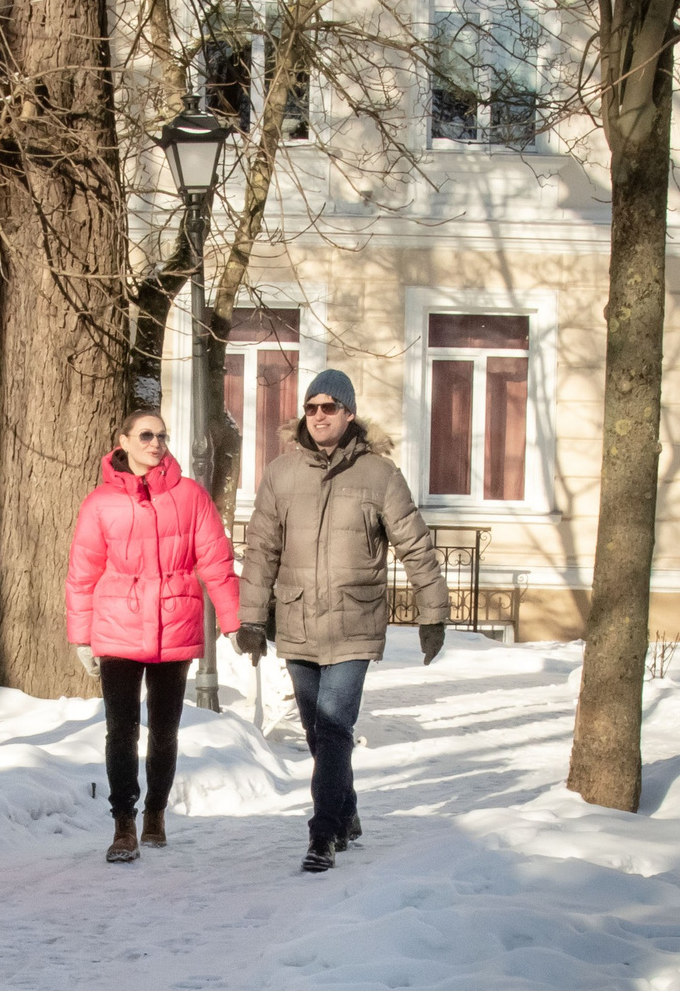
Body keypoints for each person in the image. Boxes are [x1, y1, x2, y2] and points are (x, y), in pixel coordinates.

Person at [236, 368, 448, 873]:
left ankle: (323, 833)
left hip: (355, 622)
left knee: (334, 726)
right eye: (311, 407)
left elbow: (415, 546)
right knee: (317, 732)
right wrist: (252, 619)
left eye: (329, 407)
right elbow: (261, 550)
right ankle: (346, 809)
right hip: (297, 620)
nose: (318, 416)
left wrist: (433, 614)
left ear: (349, 413)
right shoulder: (282, 474)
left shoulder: (379, 475)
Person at [66, 408, 242, 864]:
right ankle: (123, 823)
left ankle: (156, 813)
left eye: (161, 435)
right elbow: (82, 574)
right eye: (145, 435)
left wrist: (234, 621)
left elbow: (216, 562)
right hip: (117, 628)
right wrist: (81, 637)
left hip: (174, 625)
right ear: (123, 440)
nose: (156, 443)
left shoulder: (190, 496)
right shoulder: (100, 503)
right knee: (120, 731)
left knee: (164, 731)